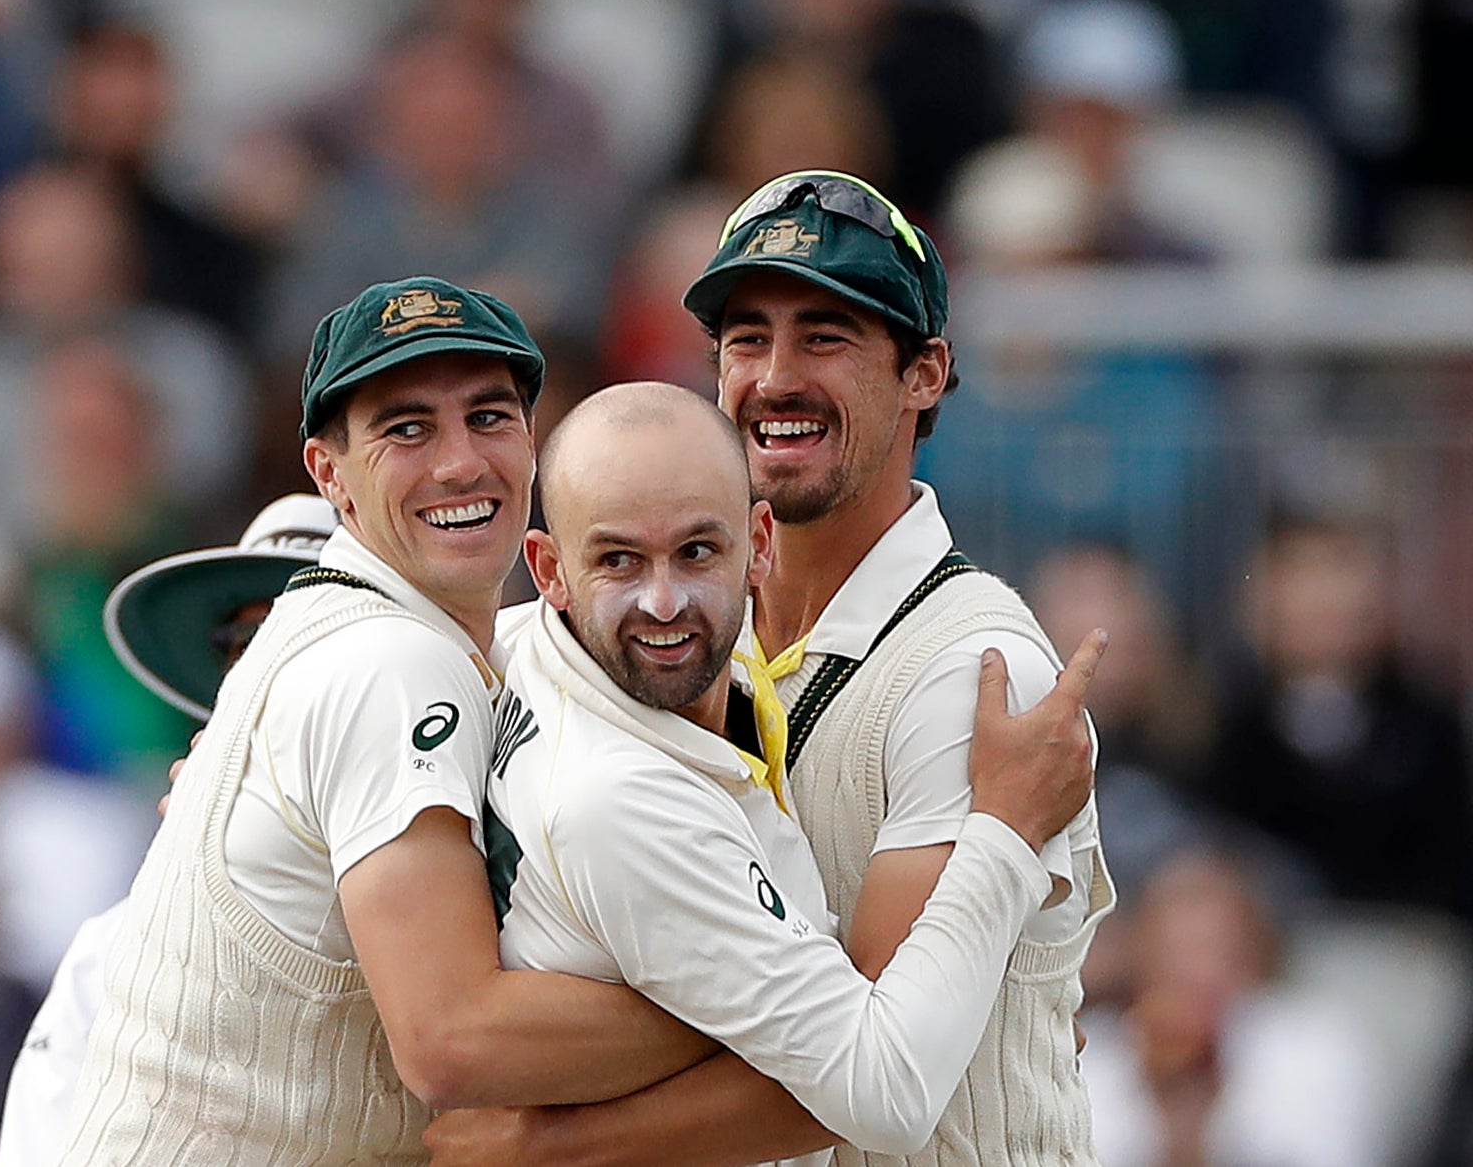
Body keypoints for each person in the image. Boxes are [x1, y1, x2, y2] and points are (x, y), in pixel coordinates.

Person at [427, 171, 1114, 1165]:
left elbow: (866, 1070)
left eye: (824, 335)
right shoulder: (683, 624)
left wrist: (539, 1148)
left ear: (925, 372)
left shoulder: (973, 668)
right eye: (747, 338)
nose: (773, 376)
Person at [54, 278, 714, 1164]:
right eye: (407, 428)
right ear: (329, 473)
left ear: (532, 440)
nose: (458, 463)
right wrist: (753, 1002)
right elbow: (454, 1040)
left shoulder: (372, 631)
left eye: (489, 416)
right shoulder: (391, 660)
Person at [0, 491, 339, 1167]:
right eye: (246, 644)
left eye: (321, 633)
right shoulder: (115, 953)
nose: (274, 669)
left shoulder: (501, 903)